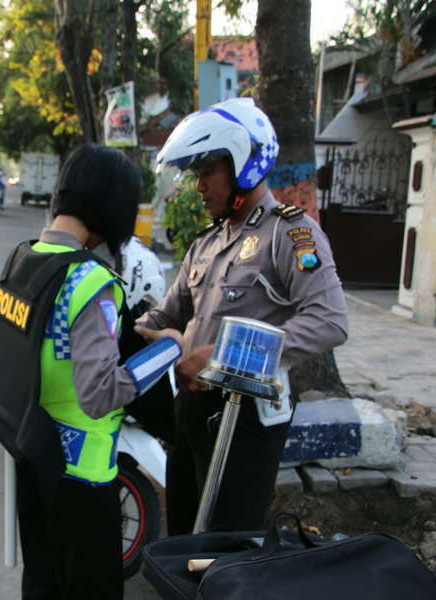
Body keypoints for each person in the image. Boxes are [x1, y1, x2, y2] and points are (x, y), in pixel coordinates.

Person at [0, 143, 183, 600]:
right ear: (111, 208)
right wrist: (169, 348)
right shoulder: (93, 282)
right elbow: (99, 393)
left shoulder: (24, 258)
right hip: (83, 479)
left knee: (42, 583)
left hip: (33, 455)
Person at [137, 97, 349, 535]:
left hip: (245, 417)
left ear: (244, 165)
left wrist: (223, 356)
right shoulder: (206, 242)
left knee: (226, 545)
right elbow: (166, 315)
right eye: (195, 175)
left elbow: (329, 321)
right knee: (182, 536)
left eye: (207, 173)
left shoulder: (291, 233)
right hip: (191, 410)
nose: (198, 187)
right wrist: (127, 332)